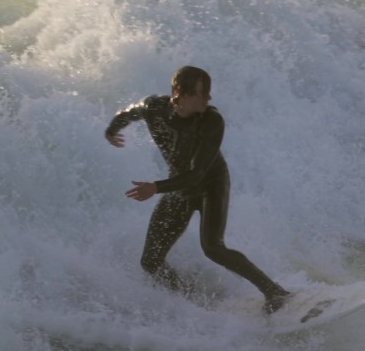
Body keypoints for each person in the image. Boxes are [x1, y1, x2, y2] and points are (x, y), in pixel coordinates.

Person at [104, 66, 291, 314]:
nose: (208, 99)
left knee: (213, 248)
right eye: (203, 94)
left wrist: (155, 187)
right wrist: (112, 129)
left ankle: (276, 292)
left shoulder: (212, 121)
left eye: (208, 93)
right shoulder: (155, 108)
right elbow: (130, 113)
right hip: (179, 186)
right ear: (180, 93)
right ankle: (192, 301)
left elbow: (197, 174)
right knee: (150, 262)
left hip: (210, 185)